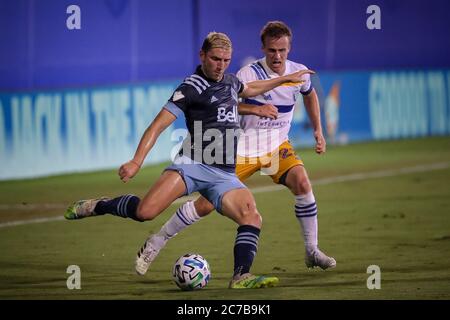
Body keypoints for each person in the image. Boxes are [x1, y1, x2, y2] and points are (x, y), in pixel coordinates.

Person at [64, 32, 313, 289]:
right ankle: (97, 206)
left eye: (226, 60)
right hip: (192, 165)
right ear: (202, 55)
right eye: (216, 59)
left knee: (252, 217)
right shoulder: (190, 87)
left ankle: (241, 276)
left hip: (225, 174)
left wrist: (284, 80)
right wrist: (137, 161)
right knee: (145, 212)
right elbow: (157, 126)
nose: (221, 65)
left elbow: (250, 89)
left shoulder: (230, 81)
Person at [136, 21, 336, 276]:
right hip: (241, 149)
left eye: (282, 50)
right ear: (263, 48)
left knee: (303, 183)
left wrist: (318, 129)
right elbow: (225, 104)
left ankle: (312, 251)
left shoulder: (298, 73)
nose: (277, 56)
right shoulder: (247, 74)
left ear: (289, 48)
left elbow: (310, 94)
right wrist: (255, 108)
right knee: (205, 205)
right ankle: (158, 240)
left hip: (276, 147)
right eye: (272, 50)